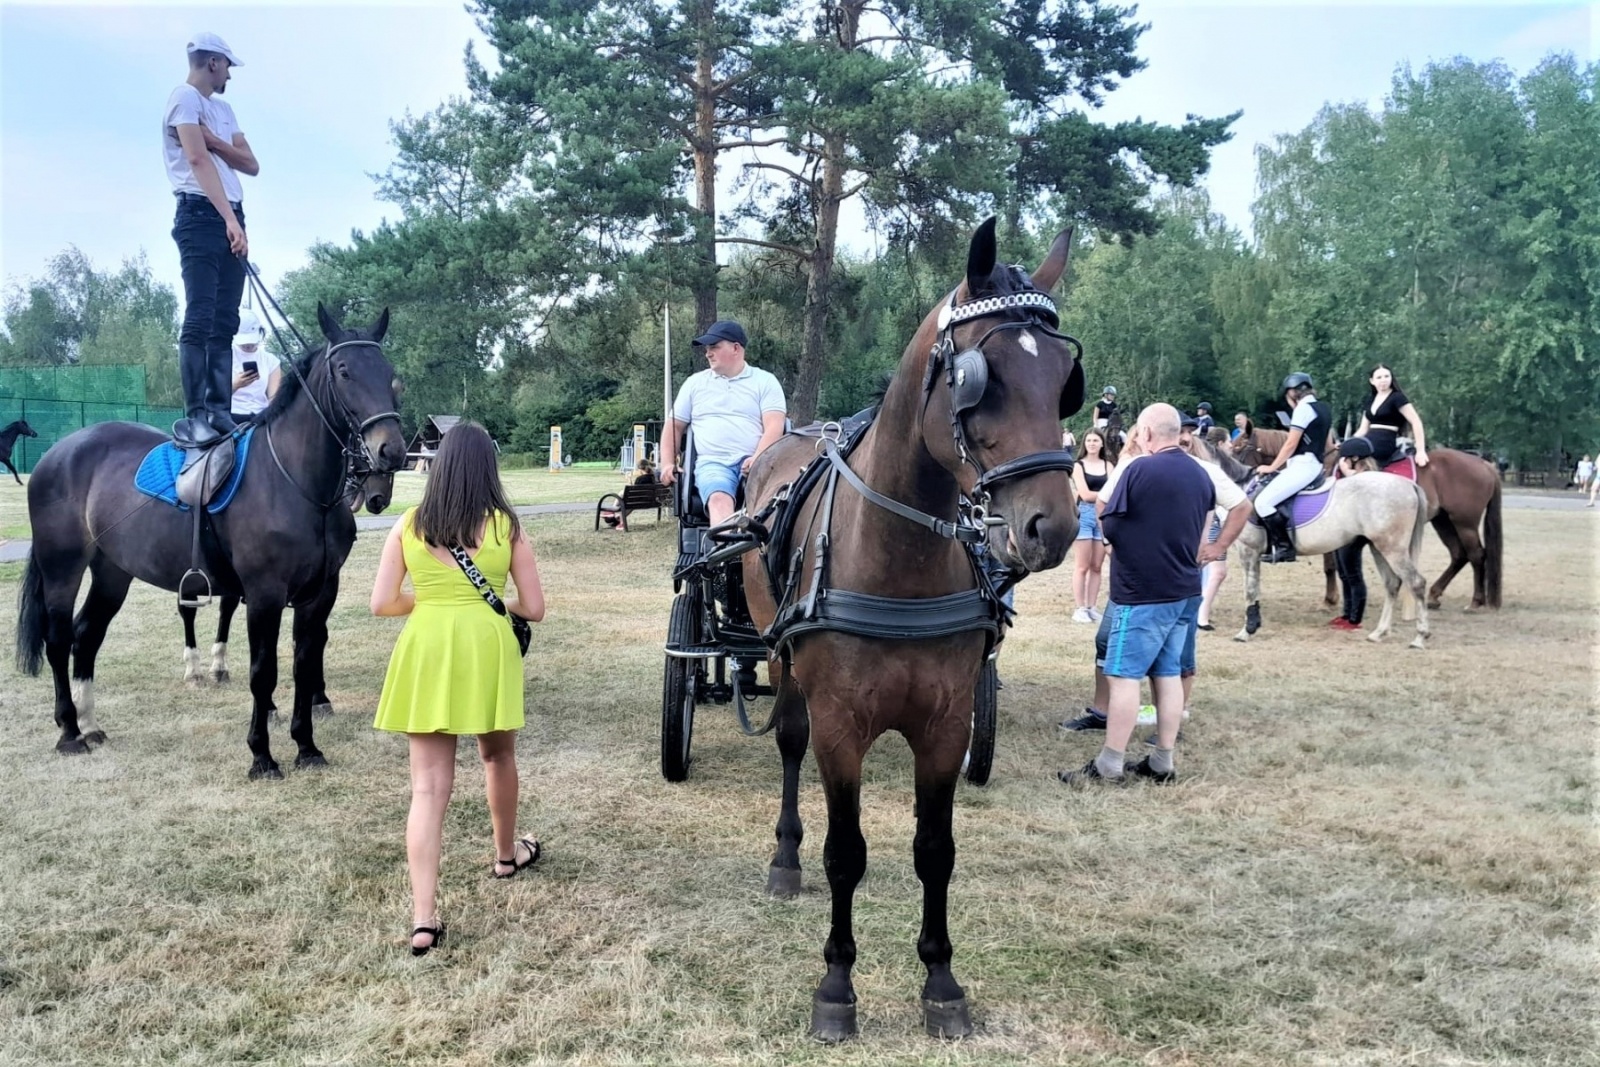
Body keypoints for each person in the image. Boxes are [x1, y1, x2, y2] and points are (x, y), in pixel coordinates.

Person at [369, 422, 547, 956]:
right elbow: (534, 607)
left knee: (427, 790)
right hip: (486, 648)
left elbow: (382, 603)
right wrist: (492, 601)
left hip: (426, 648)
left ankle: (424, 918)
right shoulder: (506, 527)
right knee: (498, 757)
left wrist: (428, 601)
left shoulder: (408, 524)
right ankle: (505, 855)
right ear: (489, 468)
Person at [1056, 404, 1247, 786]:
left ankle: (1110, 764)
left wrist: (1114, 540)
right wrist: (1217, 548)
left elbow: (1109, 519)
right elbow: (1237, 508)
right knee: (1168, 674)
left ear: (1144, 433)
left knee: (1123, 677)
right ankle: (1162, 760)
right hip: (1185, 589)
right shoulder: (1202, 472)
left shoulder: (1137, 468)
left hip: (1141, 592)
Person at [165, 32, 258, 443]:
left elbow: (251, 164)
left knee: (226, 318)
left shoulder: (223, 110)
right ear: (214, 63)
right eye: (228, 68)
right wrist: (229, 220)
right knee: (201, 314)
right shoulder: (184, 98)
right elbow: (196, 159)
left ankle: (220, 410)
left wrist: (215, 140)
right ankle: (196, 413)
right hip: (201, 215)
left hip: (231, 215)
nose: (229, 77)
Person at [659, 320, 787, 525]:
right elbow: (674, 426)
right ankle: (727, 545)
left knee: (776, 504)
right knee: (719, 498)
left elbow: (774, 425)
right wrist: (667, 463)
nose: (708, 353)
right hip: (714, 463)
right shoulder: (694, 384)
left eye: (714, 347)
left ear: (736, 348)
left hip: (759, 461)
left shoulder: (765, 381)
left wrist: (758, 457)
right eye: (707, 348)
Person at [1250, 372, 1333, 564]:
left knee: (1262, 503)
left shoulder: (1303, 409)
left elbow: (1290, 444)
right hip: (1314, 464)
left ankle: (1284, 548)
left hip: (1303, 466)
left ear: (1292, 393)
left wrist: (1272, 467)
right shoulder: (1323, 408)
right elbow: (1328, 443)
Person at [1070, 428, 1116, 623]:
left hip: (1103, 516)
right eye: (1088, 440)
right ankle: (1080, 607)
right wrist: (1106, 495)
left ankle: (1091, 606)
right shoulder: (1078, 466)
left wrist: (1106, 496)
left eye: (1095, 440)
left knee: (1097, 565)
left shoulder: (1108, 465)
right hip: (1085, 515)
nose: (1092, 444)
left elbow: (1115, 491)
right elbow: (1085, 494)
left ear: (1102, 443)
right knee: (1082, 565)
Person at [1348, 364, 1429, 468]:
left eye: (1387, 376)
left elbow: (1415, 421)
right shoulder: (1370, 400)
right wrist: (1348, 442)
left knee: (1360, 453)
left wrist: (1420, 451)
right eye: (1379, 377)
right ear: (1372, 381)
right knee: (1345, 452)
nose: (1383, 380)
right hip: (1369, 439)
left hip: (1385, 441)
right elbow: (1363, 429)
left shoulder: (1397, 397)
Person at [228, 309, 281, 425]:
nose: (248, 345)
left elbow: (273, 397)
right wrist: (236, 385)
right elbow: (214, 397)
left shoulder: (271, 361)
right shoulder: (226, 356)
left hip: (260, 416)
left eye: (251, 342)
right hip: (230, 415)